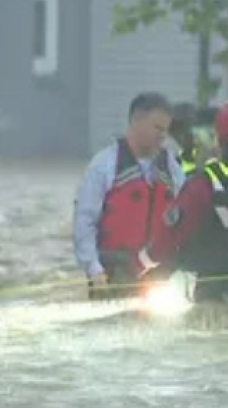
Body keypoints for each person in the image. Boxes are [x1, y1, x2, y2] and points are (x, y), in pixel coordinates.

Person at [135, 98, 228, 303]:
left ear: (220, 137)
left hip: (215, 294)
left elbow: (172, 234)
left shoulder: (204, 184)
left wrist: (142, 262)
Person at [73, 92, 187, 298]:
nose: (163, 136)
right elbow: (85, 222)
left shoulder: (172, 169)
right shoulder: (104, 165)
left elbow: (185, 220)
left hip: (160, 274)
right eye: (157, 128)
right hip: (111, 274)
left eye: (166, 130)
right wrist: (93, 269)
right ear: (136, 121)